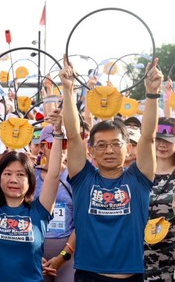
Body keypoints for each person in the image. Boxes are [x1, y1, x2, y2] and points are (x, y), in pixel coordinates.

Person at [61, 57, 162, 281]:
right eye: (102, 145)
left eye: (116, 144)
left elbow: (148, 137)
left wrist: (152, 93)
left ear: (128, 148)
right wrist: (68, 90)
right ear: (91, 151)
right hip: (89, 274)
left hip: (132, 274)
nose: (109, 150)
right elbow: (73, 135)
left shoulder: (139, 178)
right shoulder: (83, 177)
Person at [0, 107, 63, 281]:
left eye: (21, 174)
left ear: (31, 180)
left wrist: (58, 133)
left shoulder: (39, 211)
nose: (13, 180)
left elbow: (53, 175)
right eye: (7, 174)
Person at [35, 123, 75, 282]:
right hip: (35, 255)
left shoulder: (75, 176)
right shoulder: (31, 176)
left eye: (64, 143)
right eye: (53, 144)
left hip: (67, 257)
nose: (60, 148)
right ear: (43, 147)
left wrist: (64, 255)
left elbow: (81, 223)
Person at [144, 117, 175, 281]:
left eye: (169, 140)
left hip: (169, 260)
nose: (162, 145)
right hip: (138, 258)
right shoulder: (140, 173)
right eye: (159, 139)